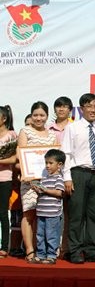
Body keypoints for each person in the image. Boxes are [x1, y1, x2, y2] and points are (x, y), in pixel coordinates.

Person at [61, 93, 95, 264]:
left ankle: (91, 250)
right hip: (78, 174)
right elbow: (66, 154)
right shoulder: (72, 128)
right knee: (76, 214)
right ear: (81, 109)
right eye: (89, 106)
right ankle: (74, 251)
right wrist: (67, 178)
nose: (93, 110)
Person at [17, 101, 57, 263]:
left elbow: (55, 158)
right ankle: (29, 250)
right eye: (35, 115)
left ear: (47, 116)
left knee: (44, 216)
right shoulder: (25, 131)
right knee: (29, 214)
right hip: (29, 180)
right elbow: (21, 155)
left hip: (47, 181)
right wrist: (28, 174)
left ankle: (43, 251)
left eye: (42, 115)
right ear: (31, 116)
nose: (38, 118)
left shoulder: (51, 135)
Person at [47, 96, 73, 260]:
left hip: (70, 174)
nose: (61, 109)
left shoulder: (75, 127)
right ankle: (51, 248)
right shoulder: (48, 128)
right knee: (51, 213)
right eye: (58, 106)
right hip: (50, 175)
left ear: (70, 109)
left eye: (64, 107)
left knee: (69, 213)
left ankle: (67, 247)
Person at [30, 149, 66, 265]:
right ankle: (40, 254)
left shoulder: (59, 178)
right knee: (40, 235)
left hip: (52, 214)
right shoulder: (44, 178)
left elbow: (59, 193)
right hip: (41, 212)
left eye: (50, 163)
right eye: (46, 163)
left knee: (51, 235)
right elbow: (43, 193)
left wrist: (45, 190)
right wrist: (37, 189)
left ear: (59, 165)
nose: (47, 166)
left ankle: (51, 255)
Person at [0, 106, 17, 259]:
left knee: (3, 213)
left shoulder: (11, 135)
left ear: (4, 119)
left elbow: (13, 159)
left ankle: (4, 247)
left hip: (4, 179)